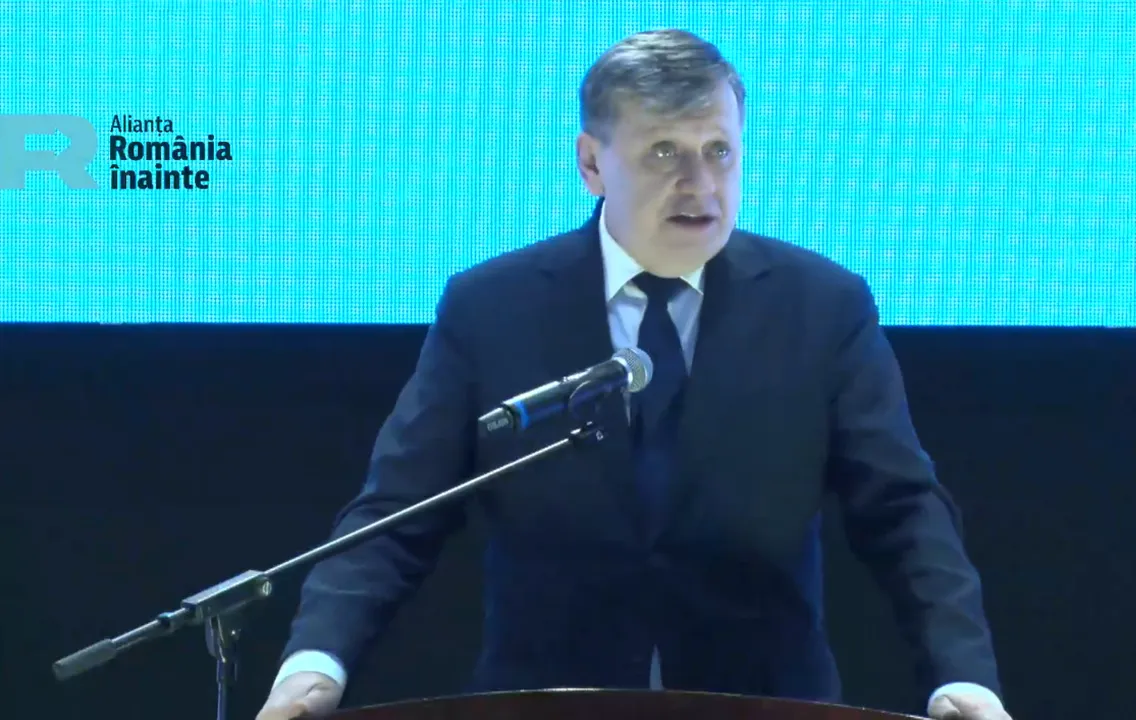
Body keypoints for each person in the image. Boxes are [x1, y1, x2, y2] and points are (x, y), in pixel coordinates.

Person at [257, 29, 1012, 720]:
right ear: (592, 163)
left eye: (719, 151)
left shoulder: (822, 307)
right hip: (546, 704)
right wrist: (316, 661)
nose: (700, 184)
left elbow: (904, 510)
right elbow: (398, 509)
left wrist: (963, 675)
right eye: (663, 153)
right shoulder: (493, 307)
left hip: (760, 704)